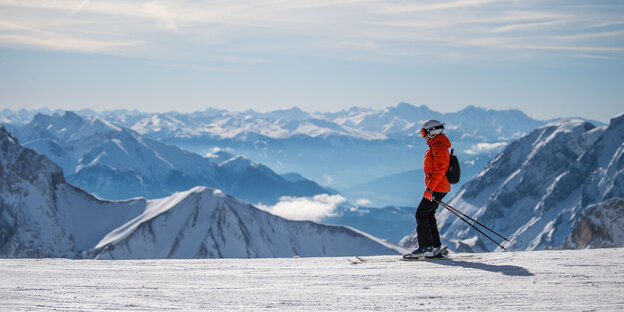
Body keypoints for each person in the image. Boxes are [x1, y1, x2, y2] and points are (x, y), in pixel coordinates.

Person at [404, 120, 451, 259]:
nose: (423, 136)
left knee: (421, 214)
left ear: (433, 132)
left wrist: (430, 189)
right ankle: (435, 247)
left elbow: (439, 171)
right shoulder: (437, 145)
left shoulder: (437, 146)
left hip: (437, 187)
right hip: (439, 187)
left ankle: (426, 247)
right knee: (428, 214)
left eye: (424, 132)